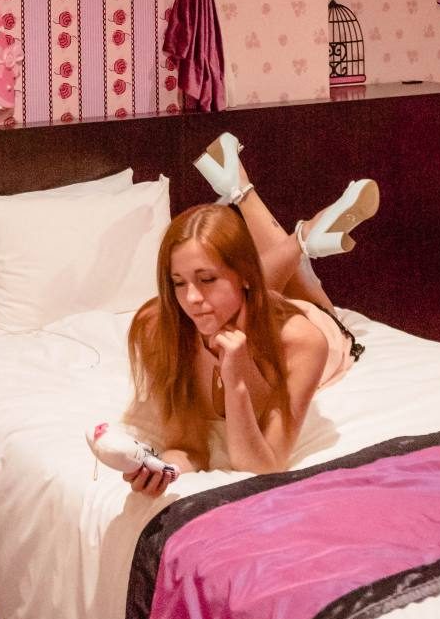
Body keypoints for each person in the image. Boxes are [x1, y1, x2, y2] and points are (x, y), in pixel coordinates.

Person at [123, 132, 378, 494]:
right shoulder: (158, 327)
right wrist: (165, 469)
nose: (191, 298)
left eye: (205, 279)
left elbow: (264, 464)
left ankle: (293, 232)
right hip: (252, 298)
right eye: (178, 282)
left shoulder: (305, 340)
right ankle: (296, 235)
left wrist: (238, 380)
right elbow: (187, 445)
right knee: (248, 292)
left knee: (289, 300)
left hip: (313, 320)